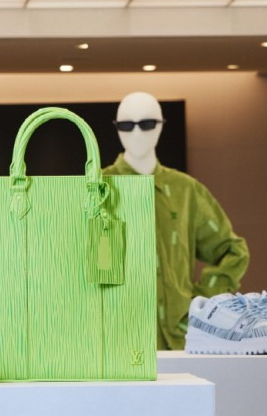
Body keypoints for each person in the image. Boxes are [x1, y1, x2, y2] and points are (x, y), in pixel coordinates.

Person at [102, 92, 249, 349]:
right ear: (117, 130)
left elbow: (233, 250)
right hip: (115, 337)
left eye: (146, 124)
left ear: (160, 126)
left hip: (179, 339)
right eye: (127, 125)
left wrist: (200, 302)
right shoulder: (97, 189)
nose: (137, 133)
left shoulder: (186, 191)